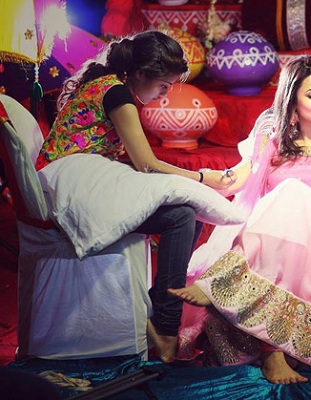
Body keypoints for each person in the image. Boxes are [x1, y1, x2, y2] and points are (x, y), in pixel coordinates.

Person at [168, 55, 311, 384]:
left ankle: (222, 286)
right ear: (292, 101)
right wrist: (177, 174)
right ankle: (272, 354)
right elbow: (231, 180)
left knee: (292, 192)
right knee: (281, 209)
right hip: (277, 248)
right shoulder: (272, 145)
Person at [34, 30, 236, 363]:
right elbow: (147, 164)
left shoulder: (110, 86)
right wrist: (205, 178)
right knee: (183, 215)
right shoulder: (117, 94)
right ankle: (165, 328)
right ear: (141, 74)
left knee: (183, 214)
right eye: (163, 86)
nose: (164, 94)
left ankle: (161, 320)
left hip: (74, 183)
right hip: (67, 189)